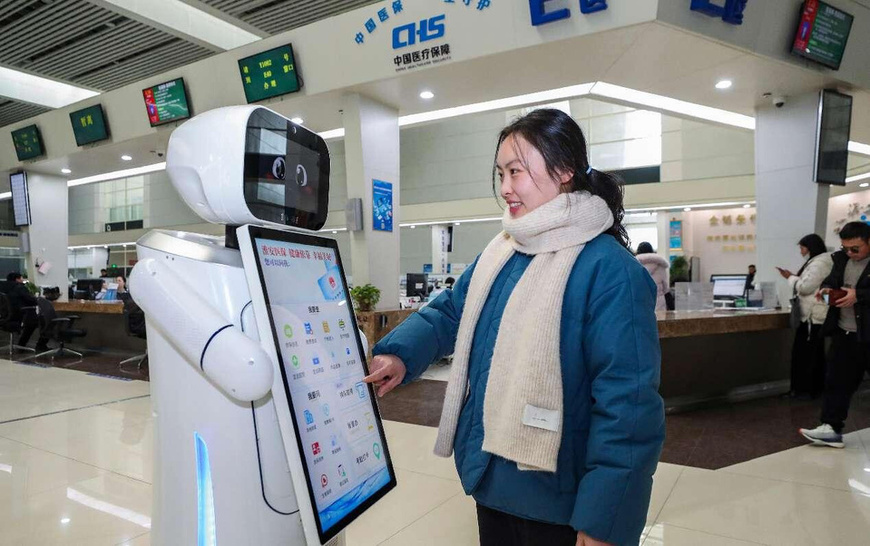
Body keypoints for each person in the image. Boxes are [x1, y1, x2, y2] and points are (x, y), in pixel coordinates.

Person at [364, 109, 664, 546]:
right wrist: (400, 353)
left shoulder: (609, 270)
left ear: (563, 171)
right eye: (500, 173)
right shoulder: (503, 251)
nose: (505, 188)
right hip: (492, 476)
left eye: (516, 172)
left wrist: (604, 519)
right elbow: (451, 311)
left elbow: (629, 408)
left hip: (560, 495)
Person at [800, 222, 870, 448]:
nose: (850, 253)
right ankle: (831, 428)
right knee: (836, 380)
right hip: (844, 331)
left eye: (855, 249)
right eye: (845, 248)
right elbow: (832, 279)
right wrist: (826, 289)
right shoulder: (840, 259)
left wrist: (858, 295)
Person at [776, 234, 832, 399]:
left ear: (810, 247)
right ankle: (812, 389)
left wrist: (791, 278)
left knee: (805, 355)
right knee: (813, 354)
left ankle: (804, 390)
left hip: (811, 316)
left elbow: (805, 287)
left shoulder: (819, 263)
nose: (801, 251)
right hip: (814, 314)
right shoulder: (820, 262)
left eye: (802, 248)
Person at [5, 272, 48, 351]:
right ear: (17, 279)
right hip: (20, 316)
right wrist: (39, 299)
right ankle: (40, 345)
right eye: (21, 278)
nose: (22, 280)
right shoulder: (20, 288)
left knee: (32, 321)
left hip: (5, 318)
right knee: (44, 321)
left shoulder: (3, 288)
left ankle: (21, 345)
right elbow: (31, 300)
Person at [634, 242, 670, 310]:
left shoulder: (633, 265)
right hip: (659, 304)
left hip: (640, 303)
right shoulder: (660, 266)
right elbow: (665, 288)